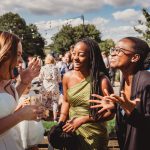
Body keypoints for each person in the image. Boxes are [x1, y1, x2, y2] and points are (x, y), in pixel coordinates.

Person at [90, 37, 150, 150]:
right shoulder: (126, 78)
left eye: (119, 51)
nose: (112, 54)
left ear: (135, 57)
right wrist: (115, 107)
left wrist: (131, 112)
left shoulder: (146, 81)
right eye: (113, 50)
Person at [59, 38, 114, 149]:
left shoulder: (101, 81)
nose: (75, 58)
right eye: (73, 53)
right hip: (72, 132)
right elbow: (65, 102)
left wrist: (84, 119)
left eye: (81, 55)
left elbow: (111, 113)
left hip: (94, 135)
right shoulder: (67, 77)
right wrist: (60, 124)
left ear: (91, 57)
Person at [0, 31, 44, 150]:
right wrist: (20, 116)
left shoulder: (6, 82)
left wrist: (23, 83)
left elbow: (6, 103)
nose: (20, 60)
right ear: (5, 54)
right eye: (18, 54)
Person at [18, 84, 45, 150]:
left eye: (30, 87)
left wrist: (38, 106)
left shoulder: (32, 93)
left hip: (32, 122)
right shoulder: (17, 94)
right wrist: (21, 105)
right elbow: (13, 110)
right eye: (27, 87)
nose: (29, 89)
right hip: (21, 122)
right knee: (22, 138)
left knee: (33, 143)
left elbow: (38, 103)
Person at [38, 54, 61, 121]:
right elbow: (59, 80)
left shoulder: (43, 68)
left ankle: (43, 117)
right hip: (54, 87)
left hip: (45, 87)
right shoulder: (56, 68)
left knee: (44, 101)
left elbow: (40, 78)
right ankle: (55, 118)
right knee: (55, 102)